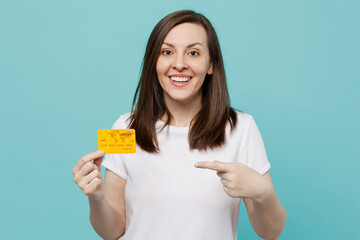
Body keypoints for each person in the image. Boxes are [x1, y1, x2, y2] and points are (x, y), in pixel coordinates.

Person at [72, 10, 286, 240]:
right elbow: (112, 231)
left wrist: (264, 193)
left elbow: (271, 232)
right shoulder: (125, 128)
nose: (180, 64)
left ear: (211, 63)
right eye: (167, 52)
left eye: (193, 53)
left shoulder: (241, 129)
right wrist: (95, 197)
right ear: (154, 61)